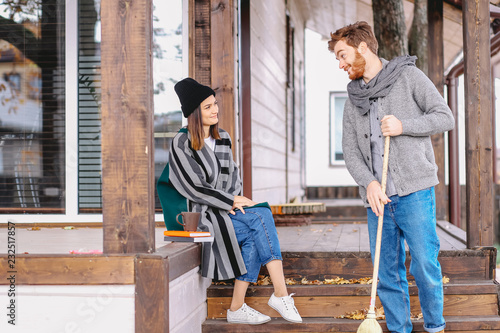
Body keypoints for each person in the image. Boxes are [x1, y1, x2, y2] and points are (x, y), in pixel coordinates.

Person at [328, 21, 454, 333]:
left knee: (425, 265)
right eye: (337, 59)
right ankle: (399, 329)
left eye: (342, 55)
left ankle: (435, 326)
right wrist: (369, 183)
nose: (341, 64)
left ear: (362, 48)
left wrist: (403, 125)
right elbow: (350, 150)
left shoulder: (408, 76)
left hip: (415, 192)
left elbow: (445, 117)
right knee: (387, 273)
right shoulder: (354, 97)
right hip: (378, 199)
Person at [166, 77, 302, 325]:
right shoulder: (182, 142)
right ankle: (280, 294)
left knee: (257, 224)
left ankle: (238, 307)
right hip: (202, 217)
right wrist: (229, 202)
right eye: (207, 107)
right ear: (194, 113)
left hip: (226, 210)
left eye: (214, 104)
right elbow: (194, 188)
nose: (215, 109)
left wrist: (232, 201)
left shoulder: (223, 138)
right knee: (260, 218)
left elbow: (233, 177)